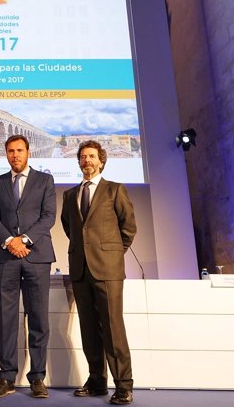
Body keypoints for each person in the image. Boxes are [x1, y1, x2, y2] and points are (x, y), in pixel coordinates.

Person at [60, 140, 137, 405]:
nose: (87, 160)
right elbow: (70, 228)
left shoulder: (115, 190)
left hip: (108, 269)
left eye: (92, 156)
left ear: (101, 160)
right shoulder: (70, 195)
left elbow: (128, 228)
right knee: (89, 328)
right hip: (80, 269)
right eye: (82, 157)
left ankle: (124, 385)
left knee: (113, 327)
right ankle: (96, 381)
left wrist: (112, 254)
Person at [0, 134, 56, 399]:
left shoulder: (45, 180)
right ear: (6, 154)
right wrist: (8, 241)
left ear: (28, 152)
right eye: (10, 151)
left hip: (36, 257)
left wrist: (23, 240)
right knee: (6, 320)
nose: (15, 155)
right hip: (7, 258)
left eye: (19, 150)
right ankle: (6, 378)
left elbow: (48, 216)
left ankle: (38, 377)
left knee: (38, 318)